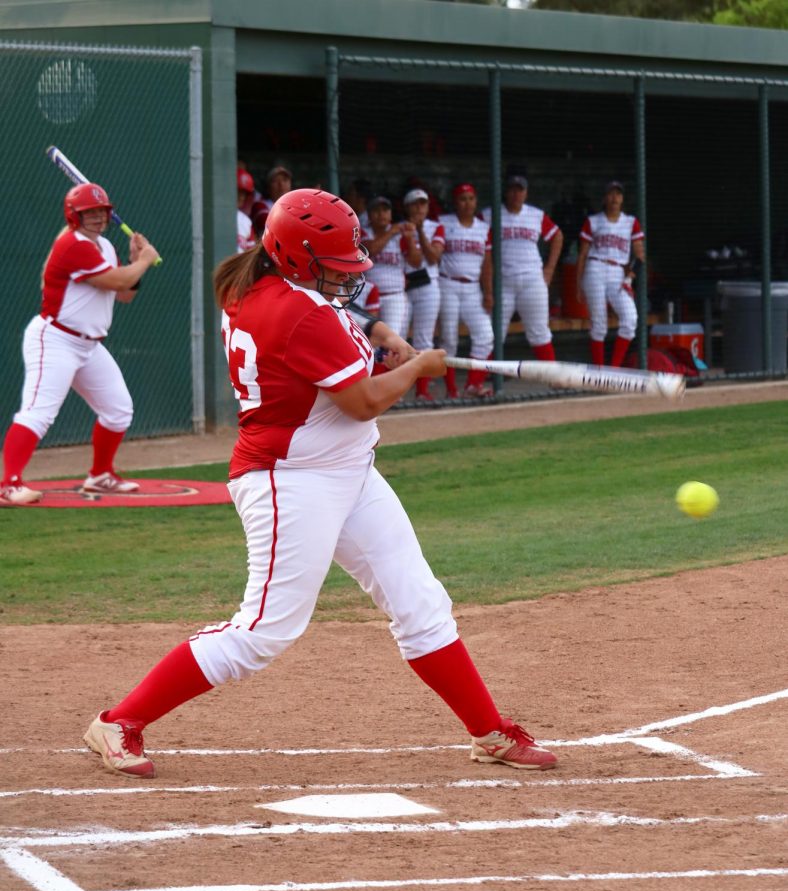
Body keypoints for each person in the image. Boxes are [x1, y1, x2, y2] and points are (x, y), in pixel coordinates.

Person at [82, 187, 557, 779]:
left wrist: (381, 334)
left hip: (348, 471)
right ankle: (119, 721)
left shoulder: (263, 284)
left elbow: (336, 323)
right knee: (264, 631)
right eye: (334, 266)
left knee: (419, 603)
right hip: (290, 482)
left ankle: (490, 733)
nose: (345, 277)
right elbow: (362, 401)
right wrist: (416, 368)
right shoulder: (300, 313)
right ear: (298, 258)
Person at [0, 183, 160, 506]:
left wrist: (134, 262)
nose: (98, 218)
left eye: (102, 211)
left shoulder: (104, 248)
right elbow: (117, 280)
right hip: (55, 339)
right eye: (90, 213)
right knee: (38, 414)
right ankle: (8, 484)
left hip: (88, 346)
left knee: (118, 410)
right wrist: (144, 260)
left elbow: (124, 294)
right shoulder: (72, 245)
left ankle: (100, 474)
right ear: (74, 216)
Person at [482, 174, 563, 362]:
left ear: (526, 193)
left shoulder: (535, 215)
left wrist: (549, 269)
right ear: (506, 192)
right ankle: (484, 378)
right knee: (494, 332)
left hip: (532, 280)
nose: (516, 194)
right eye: (512, 189)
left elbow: (557, 236)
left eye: (520, 190)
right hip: (503, 282)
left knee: (539, 331)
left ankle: (551, 374)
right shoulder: (489, 215)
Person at [576, 181, 645, 367]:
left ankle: (613, 369)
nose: (614, 197)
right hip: (595, 267)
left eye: (618, 194)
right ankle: (600, 372)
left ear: (622, 199)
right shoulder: (593, 221)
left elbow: (640, 255)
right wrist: (578, 284)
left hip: (618, 271)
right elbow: (582, 254)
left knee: (630, 320)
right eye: (611, 194)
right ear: (604, 198)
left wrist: (630, 278)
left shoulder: (631, 222)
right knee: (599, 324)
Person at [438, 183, 495, 399]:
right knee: (449, 340)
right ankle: (451, 389)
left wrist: (488, 292)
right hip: (448, 284)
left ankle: (473, 385)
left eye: (471, 198)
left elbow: (487, 264)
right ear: (455, 202)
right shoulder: (444, 223)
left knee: (485, 336)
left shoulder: (483, 228)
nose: (467, 203)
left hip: (472, 288)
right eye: (463, 198)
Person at [402, 187, 445, 401]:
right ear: (408, 207)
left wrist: (419, 232)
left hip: (428, 287)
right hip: (404, 287)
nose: (419, 208)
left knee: (423, 340)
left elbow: (433, 257)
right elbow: (413, 260)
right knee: (398, 336)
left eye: (423, 203)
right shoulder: (399, 228)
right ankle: (397, 392)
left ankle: (422, 391)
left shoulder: (435, 227)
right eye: (415, 204)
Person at [361, 196, 422, 338]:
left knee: (391, 339)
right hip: (368, 296)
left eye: (385, 210)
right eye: (376, 210)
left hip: (394, 296)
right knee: (367, 338)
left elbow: (416, 262)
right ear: (369, 215)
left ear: (390, 213)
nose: (381, 214)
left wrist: (410, 240)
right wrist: (392, 232)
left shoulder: (401, 235)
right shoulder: (364, 232)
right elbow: (371, 250)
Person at [250, 164, 293, 237]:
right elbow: (274, 227)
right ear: (268, 186)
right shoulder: (260, 206)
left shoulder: (295, 205)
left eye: (285, 180)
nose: (281, 184)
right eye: (275, 181)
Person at [236, 169, 256, 253]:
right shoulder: (215, 217)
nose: (241, 197)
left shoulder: (245, 221)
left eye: (243, 193)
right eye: (238, 192)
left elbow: (250, 255)